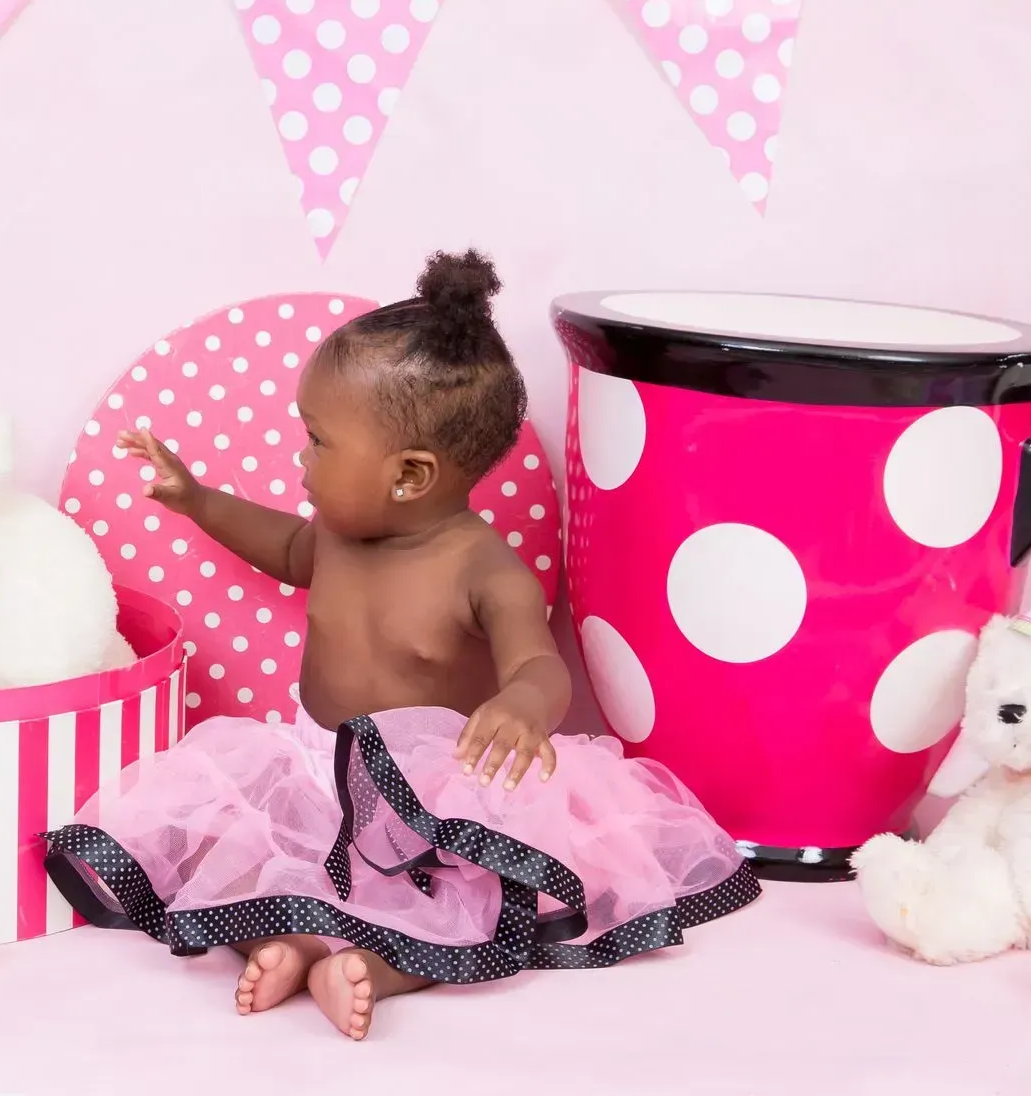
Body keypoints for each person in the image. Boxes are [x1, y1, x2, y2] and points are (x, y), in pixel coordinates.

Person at [42, 250, 757, 1040]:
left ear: (409, 476)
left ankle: (376, 969)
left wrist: (523, 703)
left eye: (317, 442)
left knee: (466, 902)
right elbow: (283, 548)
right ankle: (283, 938)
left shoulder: (485, 571)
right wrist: (197, 499)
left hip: (432, 799)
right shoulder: (341, 536)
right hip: (315, 769)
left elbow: (535, 662)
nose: (301, 461)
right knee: (230, 855)